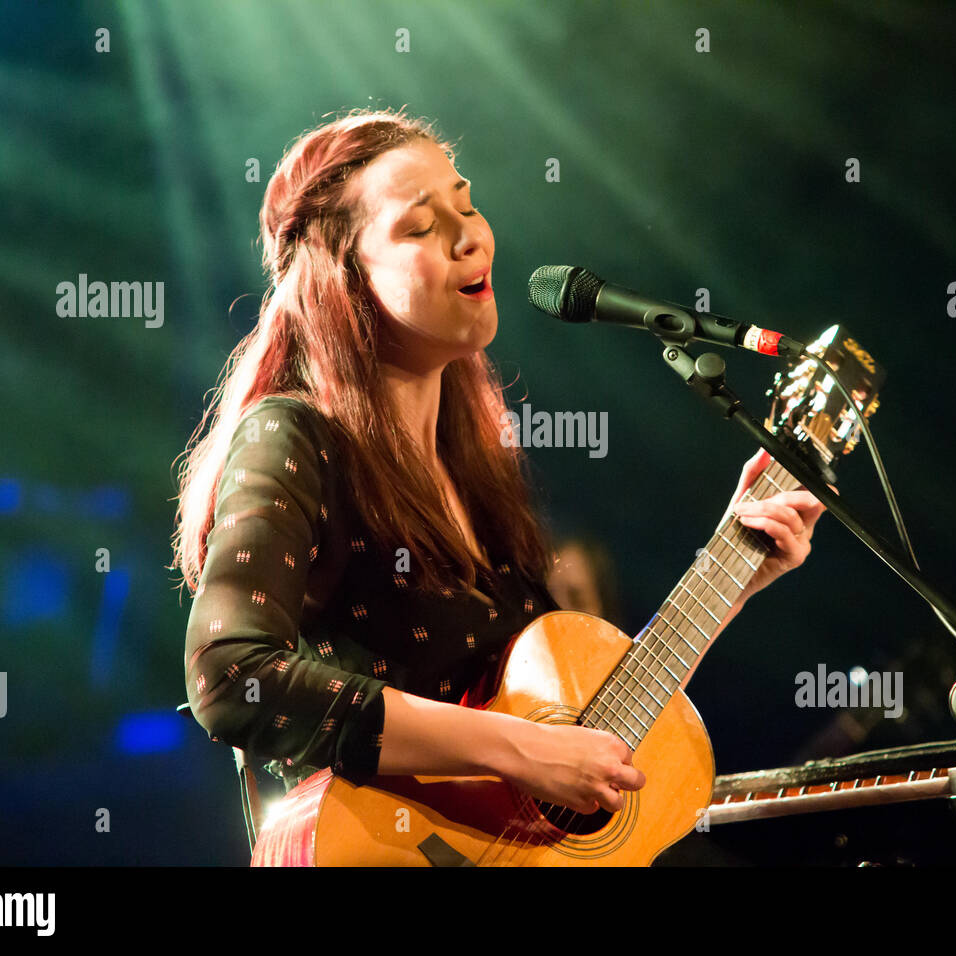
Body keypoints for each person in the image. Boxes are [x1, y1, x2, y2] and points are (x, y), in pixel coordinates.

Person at [170, 108, 826, 819]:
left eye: (467, 204)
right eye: (420, 226)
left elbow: (585, 741)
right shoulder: (292, 435)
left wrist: (733, 579)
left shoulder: (474, 464)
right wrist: (514, 747)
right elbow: (233, 678)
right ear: (342, 280)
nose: (469, 236)